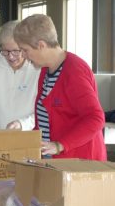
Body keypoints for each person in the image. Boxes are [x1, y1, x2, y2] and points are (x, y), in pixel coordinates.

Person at [13, 14, 106, 160]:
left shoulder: (74, 71)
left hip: (79, 162)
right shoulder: (46, 69)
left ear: (41, 45)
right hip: (56, 161)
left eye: (25, 50)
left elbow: (95, 118)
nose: (24, 56)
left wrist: (59, 145)